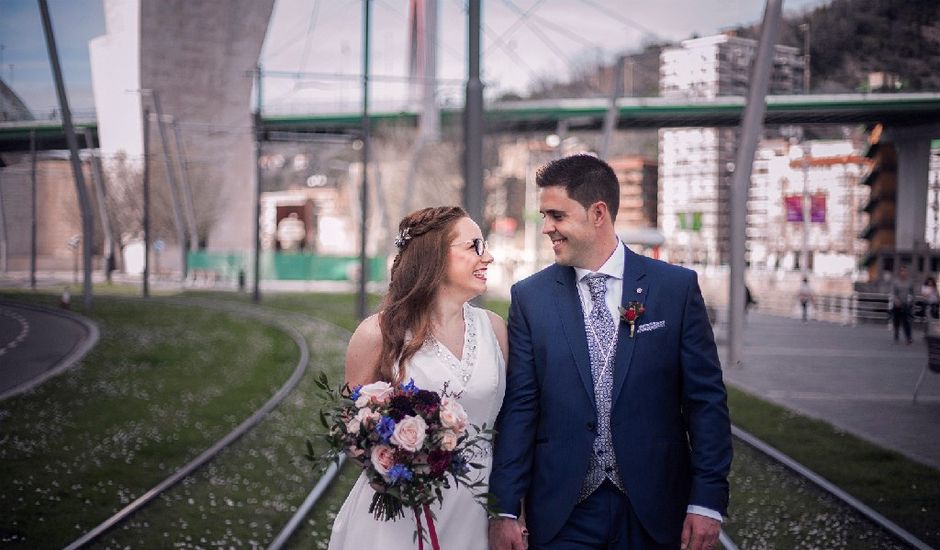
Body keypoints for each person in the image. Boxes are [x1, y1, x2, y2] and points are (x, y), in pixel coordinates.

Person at [489, 154, 732, 550]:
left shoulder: (675, 288)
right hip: (562, 513)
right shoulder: (530, 298)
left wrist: (706, 501)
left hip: (654, 509)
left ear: (598, 213)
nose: (546, 227)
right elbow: (520, 408)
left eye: (557, 215)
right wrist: (503, 507)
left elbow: (705, 401)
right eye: (544, 215)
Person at [329, 206, 508, 550]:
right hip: (403, 514)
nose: (489, 257)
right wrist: (396, 466)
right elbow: (354, 429)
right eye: (475, 246)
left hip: (480, 507)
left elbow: (513, 426)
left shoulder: (495, 329)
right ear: (436, 257)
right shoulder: (377, 334)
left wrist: (515, 511)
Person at [891, 266, 914, 344]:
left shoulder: (910, 282)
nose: (903, 273)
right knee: (897, 320)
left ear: (907, 273)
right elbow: (893, 293)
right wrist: (896, 300)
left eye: (905, 271)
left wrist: (911, 301)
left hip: (906, 304)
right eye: (902, 271)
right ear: (900, 273)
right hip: (897, 304)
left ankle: (908, 337)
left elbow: (912, 293)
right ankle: (896, 332)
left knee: (906, 321)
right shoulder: (896, 282)